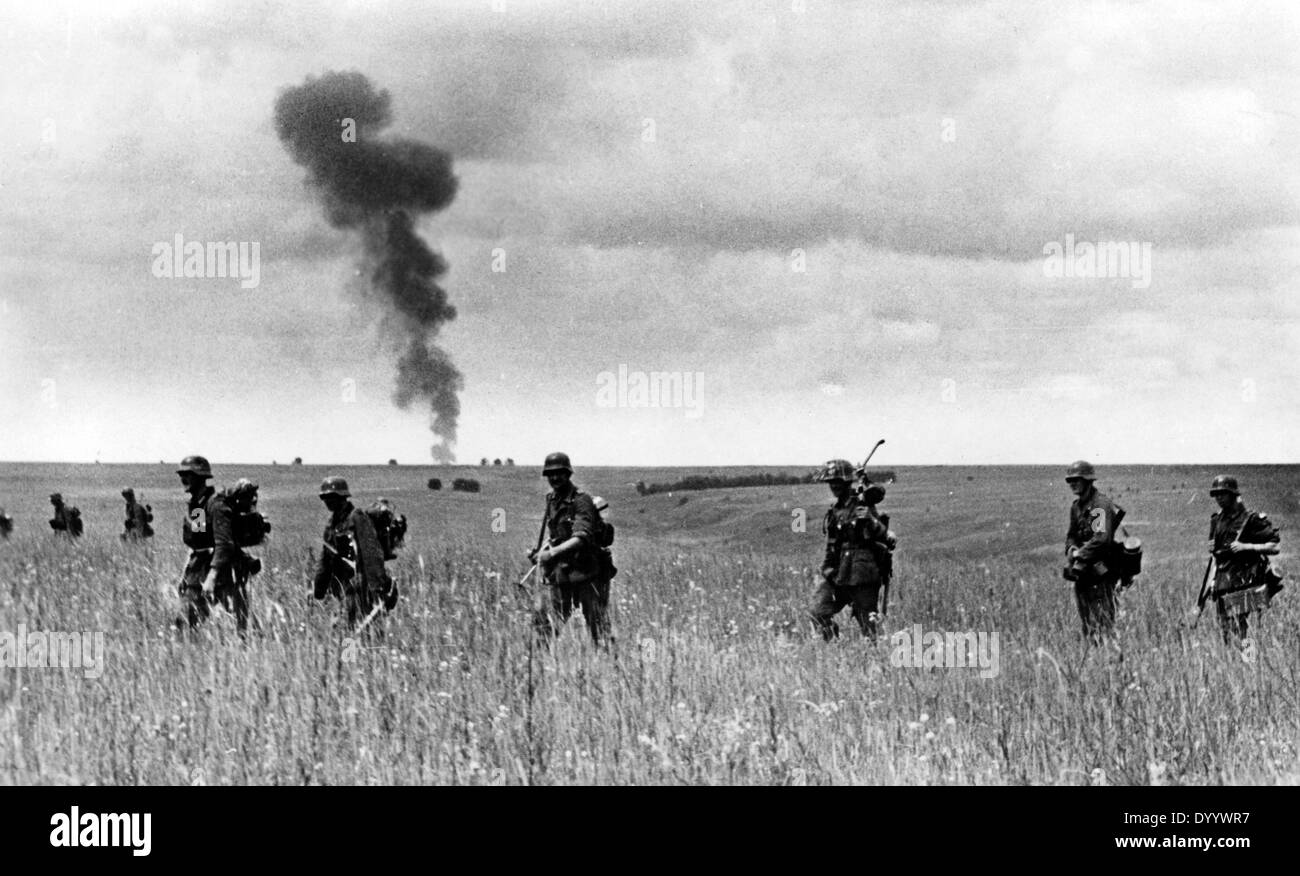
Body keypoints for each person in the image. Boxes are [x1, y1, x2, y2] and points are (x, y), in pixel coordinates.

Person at [530, 452, 613, 646]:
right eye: (550, 474)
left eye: (559, 473)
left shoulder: (581, 500)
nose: (555, 478)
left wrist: (550, 554)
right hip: (563, 572)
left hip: (588, 572)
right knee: (552, 622)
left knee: (598, 627)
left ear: (568, 474)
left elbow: (581, 538)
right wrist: (541, 551)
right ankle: (543, 665)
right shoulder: (552, 499)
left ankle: (610, 667)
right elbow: (557, 535)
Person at [808, 459, 895, 642]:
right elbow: (831, 546)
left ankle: (873, 663)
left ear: (847, 482)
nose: (834, 486)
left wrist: (869, 520)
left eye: (838, 482)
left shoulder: (863, 502)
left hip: (863, 574)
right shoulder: (835, 511)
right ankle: (833, 645)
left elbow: (884, 535)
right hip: (839, 574)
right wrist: (827, 570)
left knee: (869, 628)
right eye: (831, 483)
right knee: (818, 610)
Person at [175, 455, 252, 634]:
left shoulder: (216, 505)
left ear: (201, 477)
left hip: (226, 573)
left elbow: (224, 544)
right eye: (182, 475)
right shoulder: (197, 505)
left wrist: (211, 577)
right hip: (202, 569)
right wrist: (185, 575)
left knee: (240, 628)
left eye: (188, 475)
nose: (183, 479)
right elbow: (199, 543)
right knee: (184, 624)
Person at [1206, 475, 1281, 654]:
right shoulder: (1216, 520)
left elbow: (1274, 546)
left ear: (1233, 495)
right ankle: (1234, 665)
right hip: (1223, 581)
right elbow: (1217, 556)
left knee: (1241, 628)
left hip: (1244, 582)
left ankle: (1249, 660)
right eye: (1215, 494)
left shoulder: (1251, 518)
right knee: (1225, 627)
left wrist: (1247, 547)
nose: (1218, 498)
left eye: (1222, 494)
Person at [313, 476, 396, 629]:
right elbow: (325, 559)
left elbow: (371, 552)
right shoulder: (332, 525)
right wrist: (318, 590)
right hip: (341, 589)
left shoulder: (357, 518)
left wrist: (378, 586)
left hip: (360, 587)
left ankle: (363, 652)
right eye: (325, 497)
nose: (328, 501)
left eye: (332, 497)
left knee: (361, 629)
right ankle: (347, 653)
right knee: (343, 630)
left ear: (342, 497)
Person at [1063, 460, 1123, 644]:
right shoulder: (1076, 507)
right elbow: (1071, 535)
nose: (1073, 483)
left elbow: (1101, 539)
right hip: (1083, 573)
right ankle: (1095, 657)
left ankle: (1111, 659)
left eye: (1077, 479)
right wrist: (1072, 549)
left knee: (1105, 619)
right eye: (1070, 480)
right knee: (1087, 621)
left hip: (1101, 572)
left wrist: (1079, 554)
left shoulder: (1100, 505)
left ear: (1088, 480)